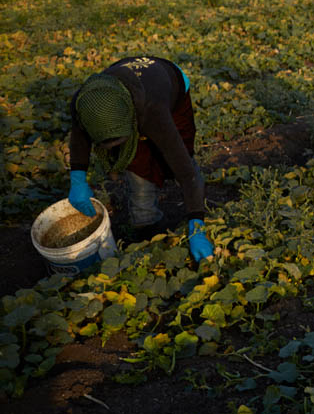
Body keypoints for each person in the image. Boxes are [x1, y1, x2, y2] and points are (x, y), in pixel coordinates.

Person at [67, 55, 213, 262]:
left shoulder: (155, 111)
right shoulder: (84, 103)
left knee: (178, 157)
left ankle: (193, 206)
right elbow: (79, 138)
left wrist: (197, 224)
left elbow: (185, 172)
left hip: (170, 86)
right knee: (137, 163)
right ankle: (146, 221)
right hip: (127, 93)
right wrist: (78, 180)